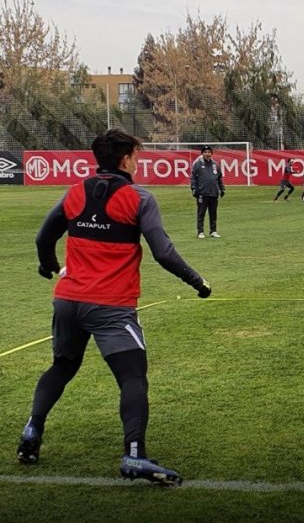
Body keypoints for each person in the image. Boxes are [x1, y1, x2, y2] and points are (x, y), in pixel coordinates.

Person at [20, 129, 212, 486]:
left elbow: (43, 237)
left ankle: (32, 431)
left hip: (67, 301)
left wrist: (48, 265)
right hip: (110, 306)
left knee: (61, 366)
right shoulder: (138, 198)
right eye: (136, 157)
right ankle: (134, 456)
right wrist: (197, 281)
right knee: (133, 377)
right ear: (125, 159)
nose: (137, 163)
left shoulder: (75, 192)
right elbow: (163, 252)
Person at [190, 145, 225, 238]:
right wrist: (193, 188)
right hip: (202, 193)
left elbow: (219, 178)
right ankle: (200, 232)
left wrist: (222, 189)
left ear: (211, 153)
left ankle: (213, 231)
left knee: (213, 213)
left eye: (209, 152)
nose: (207, 154)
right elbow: (193, 177)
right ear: (202, 154)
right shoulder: (197, 164)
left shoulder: (215, 164)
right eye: (205, 152)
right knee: (201, 213)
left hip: (213, 193)